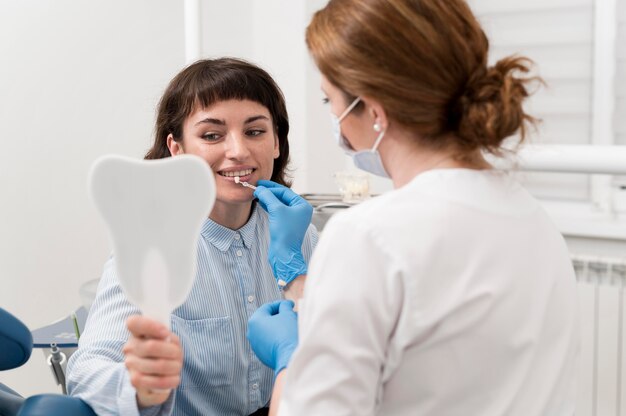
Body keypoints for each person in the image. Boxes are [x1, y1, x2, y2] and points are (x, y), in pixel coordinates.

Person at [247, 1, 578, 415]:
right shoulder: (533, 219)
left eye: (328, 100)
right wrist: (298, 284)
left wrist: (289, 357)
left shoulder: (369, 235)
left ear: (373, 109)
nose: (333, 116)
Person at [66, 58, 318, 416]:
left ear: (277, 142)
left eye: (255, 131)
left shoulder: (301, 237)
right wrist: (141, 387)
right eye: (212, 135)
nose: (238, 151)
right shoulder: (155, 244)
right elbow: (86, 372)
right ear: (177, 150)